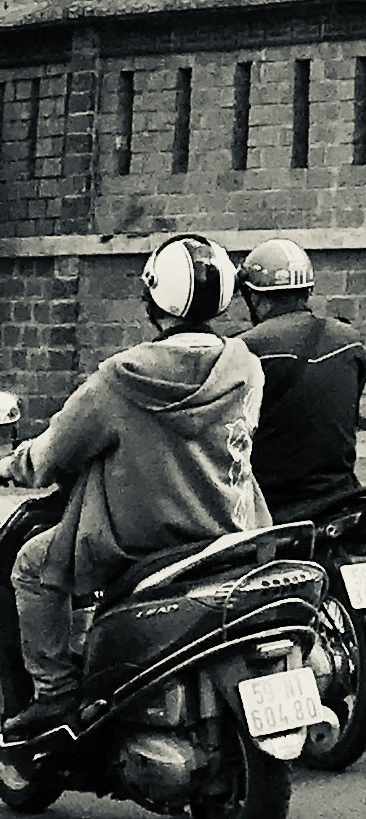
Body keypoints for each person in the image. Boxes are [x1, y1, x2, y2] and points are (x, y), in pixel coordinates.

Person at [3, 234, 263, 744]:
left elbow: (54, 453)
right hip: (227, 533)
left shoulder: (121, 379)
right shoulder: (246, 368)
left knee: (32, 565)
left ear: (154, 298)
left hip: (136, 543)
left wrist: (15, 465)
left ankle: (54, 695)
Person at [238, 238, 366, 526]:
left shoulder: (244, 350)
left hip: (272, 504)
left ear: (255, 298)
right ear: (307, 290)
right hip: (341, 495)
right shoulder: (349, 341)